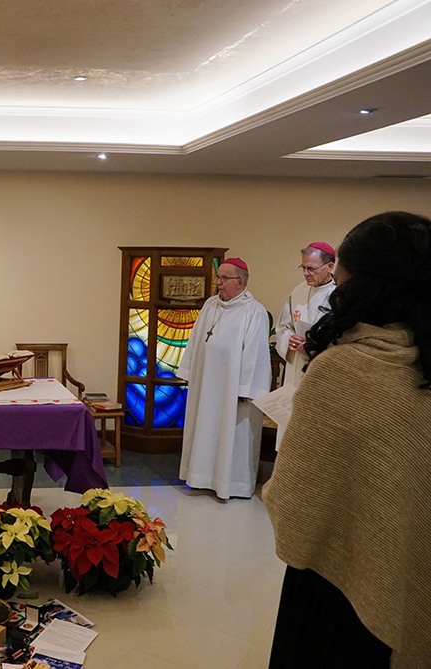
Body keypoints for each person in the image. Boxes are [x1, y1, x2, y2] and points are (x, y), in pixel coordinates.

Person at [264, 211, 431, 667]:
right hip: (413, 574)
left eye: (341, 277)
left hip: (332, 587)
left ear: (365, 285)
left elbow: (294, 506)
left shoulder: (343, 370)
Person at [176, 258, 271, 499]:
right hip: (206, 382)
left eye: (224, 278)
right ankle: (200, 477)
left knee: (233, 434)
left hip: (234, 389)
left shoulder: (254, 311)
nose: (218, 283)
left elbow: (256, 354)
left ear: (240, 282)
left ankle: (233, 484)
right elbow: (196, 340)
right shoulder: (211, 305)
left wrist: (244, 389)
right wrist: (189, 373)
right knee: (204, 427)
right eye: (218, 277)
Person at [273, 241, 336, 449]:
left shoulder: (339, 296)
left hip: (320, 372)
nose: (307, 274)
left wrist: (313, 346)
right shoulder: (297, 293)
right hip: (294, 371)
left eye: (312, 268)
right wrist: (288, 340)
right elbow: (283, 327)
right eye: (304, 268)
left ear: (330, 266)